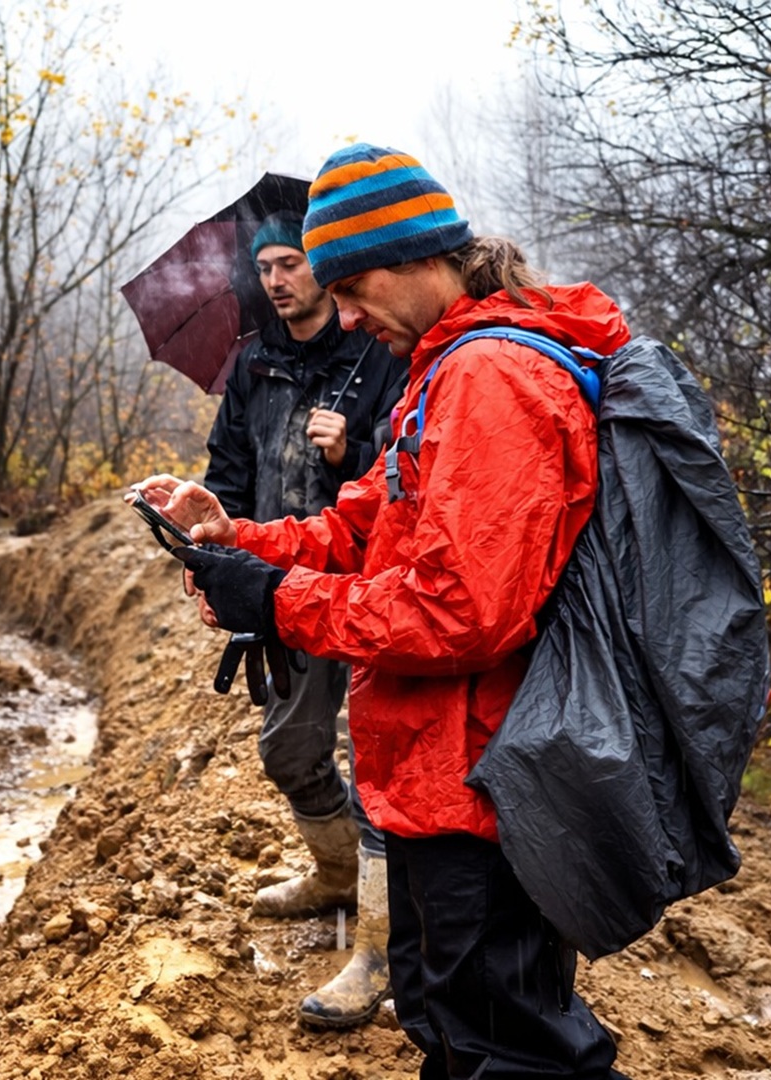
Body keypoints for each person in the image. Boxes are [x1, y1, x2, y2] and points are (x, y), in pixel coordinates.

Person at [135, 144, 629, 1080]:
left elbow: (462, 610)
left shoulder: (493, 380)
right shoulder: (447, 367)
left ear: (415, 258)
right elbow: (377, 521)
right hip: (434, 772)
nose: (348, 316)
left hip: (480, 783)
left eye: (352, 289)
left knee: (507, 1043)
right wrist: (241, 539)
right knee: (452, 1020)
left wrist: (281, 603)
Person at [203, 209, 407, 1030]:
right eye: (267, 269)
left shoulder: (376, 354)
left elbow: (398, 483)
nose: (277, 281)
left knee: (388, 772)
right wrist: (232, 565)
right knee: (289, 750)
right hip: (287, 589)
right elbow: (229, 472)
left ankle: (382, 941)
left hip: (375, 590)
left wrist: (343, 451)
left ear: (325, 271)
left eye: (291, 263)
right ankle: (334, 876)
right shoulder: (251, 365)